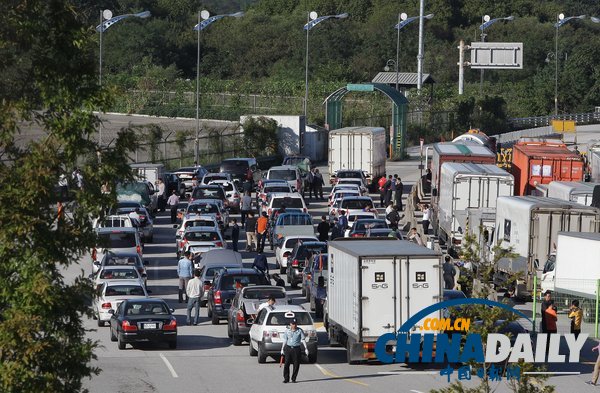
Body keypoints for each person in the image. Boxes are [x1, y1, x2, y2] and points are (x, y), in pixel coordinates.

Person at [281, 319, 309, 383]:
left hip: (296, 349)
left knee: (296, 364)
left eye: (295, 324)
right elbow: (285, 340)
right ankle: (286, 378)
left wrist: (306, 348)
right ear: (290, 324)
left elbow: (303, 339)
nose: (294, 325)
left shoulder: (299, 331)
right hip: (288, 348)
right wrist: (282, 348)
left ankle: (294, 378)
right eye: (293, 324)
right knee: (286, 364)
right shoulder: (287, 331)